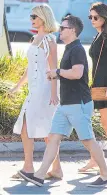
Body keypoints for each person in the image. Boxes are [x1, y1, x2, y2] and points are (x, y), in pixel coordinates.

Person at [18, 15, 107, 187]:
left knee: (88, 140)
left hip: (78, 103)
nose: (60, 30)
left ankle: (105, 174)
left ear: (72, 30)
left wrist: (57, 72)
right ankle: (40, 175)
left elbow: (77, 73)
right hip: (65, 104)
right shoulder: (69, 48)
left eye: (63, 28)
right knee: (53, 138)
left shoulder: (77, 50)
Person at [9, 4, 63, 180]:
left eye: (34, 16)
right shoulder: (34, 39)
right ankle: (56, 169)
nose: (31, 19)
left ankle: (28, 167)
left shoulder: (50, 40)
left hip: (45, 89)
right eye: (31, 16)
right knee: (47, 129)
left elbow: (54, 69)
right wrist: (17, 86)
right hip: (34, 89)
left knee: (27, 126)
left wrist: (54, 94)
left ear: (43, 18)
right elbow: (29, 68)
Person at [78, 2, 107, 173]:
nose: (92, 20)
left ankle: (97, 160)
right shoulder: (99, 36)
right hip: (97, 85)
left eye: (95, 17)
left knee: (105, 124)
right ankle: (95, 159)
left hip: (104, 86)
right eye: (90, 17)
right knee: (96, 123)